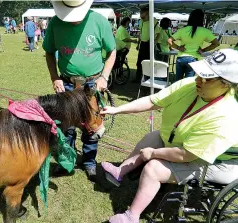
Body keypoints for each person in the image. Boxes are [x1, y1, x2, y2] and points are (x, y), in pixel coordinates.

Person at [100, 48, 238, 223]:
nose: (198, 79)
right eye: (199, 73)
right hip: (183, 143)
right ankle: (121, 171)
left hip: (220, 162)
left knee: (154, 169)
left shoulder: (225, 115)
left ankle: (131, 216)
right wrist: (117, 110)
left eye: (207, 78)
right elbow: (153, 101)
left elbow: (187, 154)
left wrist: (153, 153)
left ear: (226, 84)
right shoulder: (189, 85)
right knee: (151, 138)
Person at [43, 0, 116, 181]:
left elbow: (112, 51)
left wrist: (104, 76)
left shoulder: (99, 21)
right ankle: (67, 162)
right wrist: (55, 77)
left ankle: (89, 162)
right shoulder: (55, 23)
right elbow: (49, 52)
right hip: (67, 84)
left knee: (91, 126)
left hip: (92, 85)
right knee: (66, 126)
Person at [168, 9, 220, 82]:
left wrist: (178, 47)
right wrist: (203, 50)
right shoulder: (205, 31)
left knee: (177, 81)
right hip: (193, 59)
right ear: (202, 19)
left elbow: (169, 40)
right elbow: (216, 43)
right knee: (188, 83)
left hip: (181, 58)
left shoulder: (183, 30)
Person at [134, 6, 160, 83]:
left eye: (142, 13)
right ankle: (137, 79)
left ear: (147, 13)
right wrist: (138, 44)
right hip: (143, 44)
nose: (140, 14)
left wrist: (154, 42)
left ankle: (148, 80)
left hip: (150, 44)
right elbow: (140, 33)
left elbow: (158, 33)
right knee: (139, 62)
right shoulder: (141, 21)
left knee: (149, 63)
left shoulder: (153, 20)